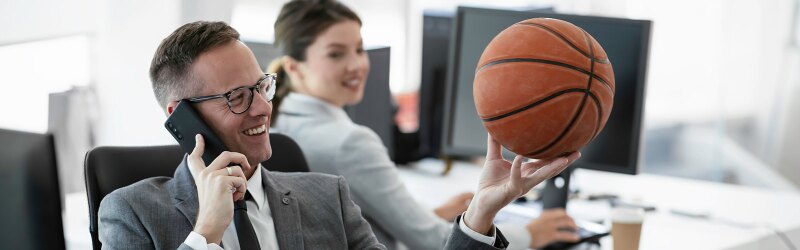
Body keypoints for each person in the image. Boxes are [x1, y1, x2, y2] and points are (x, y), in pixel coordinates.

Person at [97, 20, 579, 250]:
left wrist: (480, 212)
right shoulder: (132, 213)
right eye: (236, 96)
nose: (264, 106)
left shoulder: (327, 197)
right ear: (182, 117)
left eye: (261, 86)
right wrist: (206, 234)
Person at [269, 0, 581, 249]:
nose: (357, 65)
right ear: (294, 67)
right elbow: (435, 243)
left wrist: (428, 215)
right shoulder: (348, 142)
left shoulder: (276, 123)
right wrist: (531, 234)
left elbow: (340, 224)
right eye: (336, 54)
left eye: (359, 49)